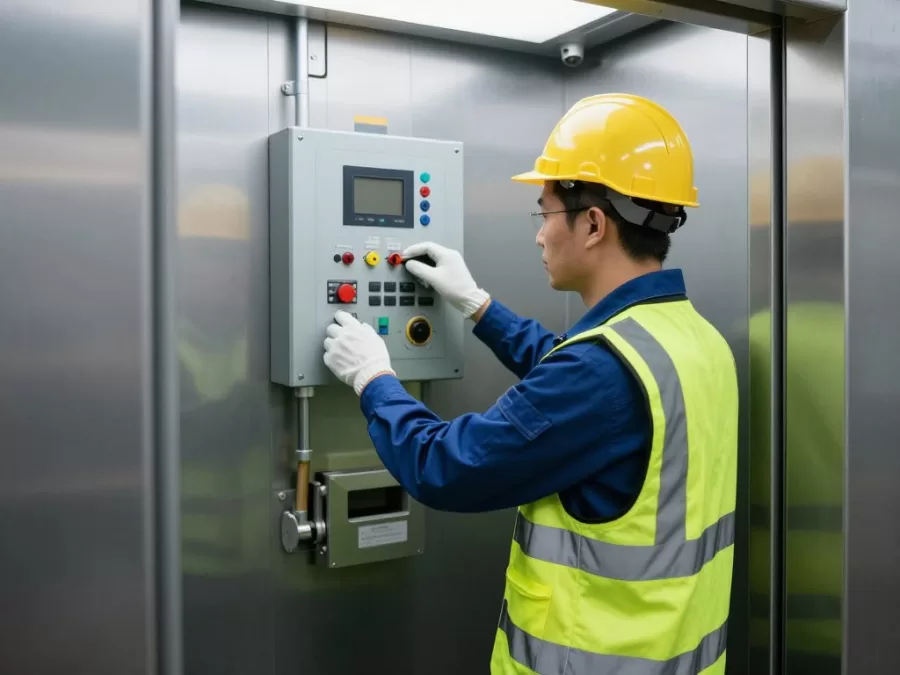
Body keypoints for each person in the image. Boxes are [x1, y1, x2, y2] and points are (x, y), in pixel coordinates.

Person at [322, 93, 739, 674]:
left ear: (592, 223)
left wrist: (374, 378)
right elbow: (575, 380)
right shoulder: (694, 341)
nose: (539, 237)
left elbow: (445, 466)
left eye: (543, 214)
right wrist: (478, 306)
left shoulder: (602, 372)